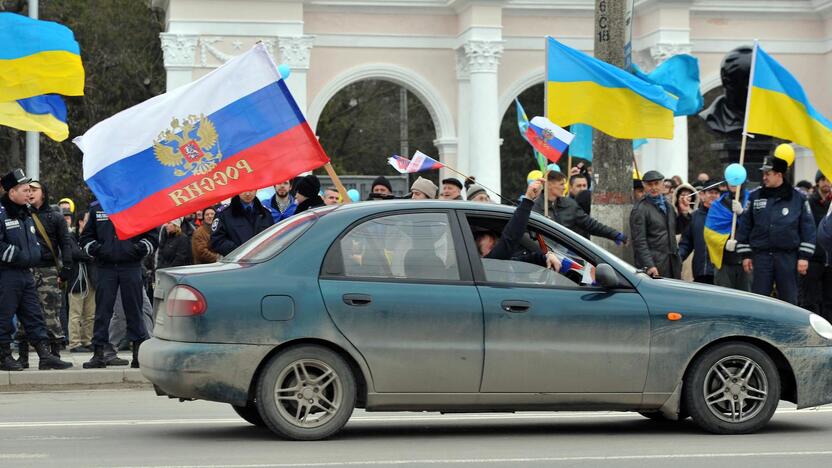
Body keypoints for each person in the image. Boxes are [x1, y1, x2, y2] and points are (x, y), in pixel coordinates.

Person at [0, 169, 72, 371]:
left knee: (34, 316)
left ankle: (45, 355)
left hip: (26, 273)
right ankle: (4, 355)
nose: (28, 193)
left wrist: (34, 253)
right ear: (12, 192)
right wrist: (18, 255)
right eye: (24, 189)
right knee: (4, 317)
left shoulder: (25, 213)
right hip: (7, 274)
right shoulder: (2, 213)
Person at [80, 199, 159, 368]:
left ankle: (138, 354)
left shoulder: (138, 206)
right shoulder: (97, 208)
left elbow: (152, 237)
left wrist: (137, 249)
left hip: (131, 267)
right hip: (105, 267)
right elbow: (86, 238)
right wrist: (99, 250)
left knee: (135, 310)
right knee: (102, 312)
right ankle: (99, 354)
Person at [735, 147, 816, 305]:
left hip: (787, 258)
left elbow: (808, 228)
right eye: (763, 173)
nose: (764, 177)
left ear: (779, 174)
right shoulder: (755, 196)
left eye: (768, 174)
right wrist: (745, 255)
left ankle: (790, 330)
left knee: (789, 301)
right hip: (761, 257)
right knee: (758, 301)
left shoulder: (798, 198)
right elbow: (745, 226)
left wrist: (804, 257)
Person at [474, 179, 562, 272]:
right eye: (484, 235)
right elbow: (510, 239)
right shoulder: (488, 267)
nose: (494, 240)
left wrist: (547, 256)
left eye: (495, 236)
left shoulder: (504, 264)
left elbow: (525, 262)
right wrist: (528, 200)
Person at [533, 171, 626, 243]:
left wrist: (615, 234)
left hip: (571, 256)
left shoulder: (569, 204)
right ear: (549, 184)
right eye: (561, 184)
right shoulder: (534, 208)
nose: (564, 188)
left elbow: (590, 224)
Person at [630, 170, 682, 278]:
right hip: (654, 267)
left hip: (671, 263)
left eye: (656, 183)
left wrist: (685, 214)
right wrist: (649, 265)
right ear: (644, 186)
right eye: (650, 184)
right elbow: (639, 241)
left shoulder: (668, 206)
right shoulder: (640, 209)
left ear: (663, 185)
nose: (653, 188)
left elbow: (675, 230)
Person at [799, 170, 832, 318]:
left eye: (829, 179)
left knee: (829, 301)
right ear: (817, 182)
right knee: (810, 299)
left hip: (830, 260)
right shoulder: (809, 203)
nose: (826, 183)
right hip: (813, 259)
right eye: (823, 179)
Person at [679, 182, 721, 284]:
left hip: (720, 271)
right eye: (710, 192)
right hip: (701, 271)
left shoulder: (724, 216)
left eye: (716, 193)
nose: (713, 195)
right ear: (702, 195)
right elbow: (686, 243)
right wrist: (676, 259)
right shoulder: (694, 217)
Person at [210, 190, 274, 256]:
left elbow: (274, 238)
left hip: (263, 260)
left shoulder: (265, 213)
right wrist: (240, 252)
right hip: (236, 262)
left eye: (251, 190)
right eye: (244, 190)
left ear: (256, 190)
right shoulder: (224, 214)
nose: (248, 193)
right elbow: (217, 241)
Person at [714, 185, 752, 292]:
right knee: (724, 301)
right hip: (724, 262)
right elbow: (710, 233)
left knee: (747, 300)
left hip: (746, 260)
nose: (733, 184)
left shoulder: (752, 200)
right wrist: (723, 243)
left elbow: (757, 227)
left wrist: (742, 214)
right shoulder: (719, 204)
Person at [67, 212, 96, 353]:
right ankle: (74, 343)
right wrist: (90, 255)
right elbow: (75, 253)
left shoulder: (93, 236)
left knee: (90, 314)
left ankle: (87, 340)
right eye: (87, 220)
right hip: (76, 279)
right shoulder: (71, 236)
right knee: (75, 313)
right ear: (80, 222)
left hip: (91, 279)